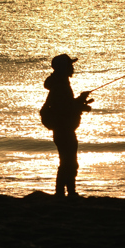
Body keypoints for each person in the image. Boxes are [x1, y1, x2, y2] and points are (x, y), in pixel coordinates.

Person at [40, 53, 94, 198]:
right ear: (63, 68)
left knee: (68, 161)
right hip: (64, 129)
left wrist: (81, 101)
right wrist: (81, 104)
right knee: (68, 162)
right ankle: (63, 193)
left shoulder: (60, 83)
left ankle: (67, 192)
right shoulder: (61, 86)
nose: (72, 67)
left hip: (62, 129)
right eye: (70, 65)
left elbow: (65, 105)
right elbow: (65, 108)